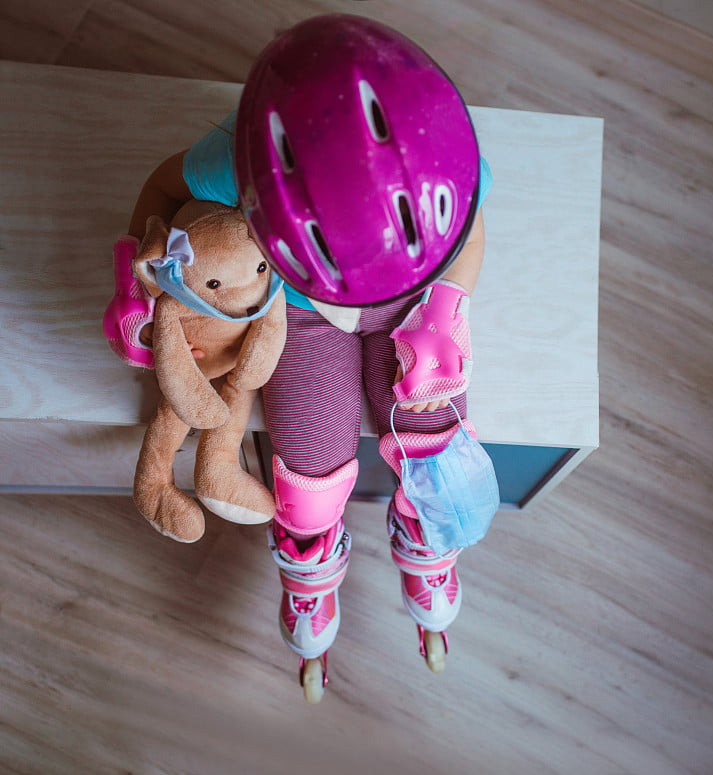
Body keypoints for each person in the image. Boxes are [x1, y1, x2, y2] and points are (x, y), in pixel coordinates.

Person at [104, 14, 499, 701]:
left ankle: (427, 528)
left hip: (410, 296)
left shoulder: (441, 150)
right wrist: (136, 276)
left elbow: (467, 227)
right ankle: (311, 552)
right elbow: (164, 191)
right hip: (301, 311)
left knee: (433, 434)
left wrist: (444, 311)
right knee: (307, 473)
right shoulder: (231, 159)